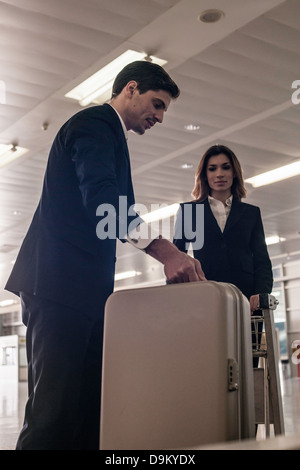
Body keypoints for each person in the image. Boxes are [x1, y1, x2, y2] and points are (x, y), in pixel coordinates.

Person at [5, 61, 205, 450]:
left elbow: (115, 210)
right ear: (130, 88)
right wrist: (166, 252)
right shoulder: (94, 125)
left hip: (83, 294)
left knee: (87, 411)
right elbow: (104, 203)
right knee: (55, 412)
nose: (160, 117)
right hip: (59, 288)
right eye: (157, 104)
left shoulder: (111, 136)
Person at [173, 144, 273, 366]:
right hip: (206, 300)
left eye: (225, 167)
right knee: (209, 366)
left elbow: (262, 260)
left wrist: (261, 293)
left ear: (234, 172)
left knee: (247, 365)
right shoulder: (190, 212)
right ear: (204, 175)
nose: (219, 174)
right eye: (212, 168)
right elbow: (177, 259)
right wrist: (179, 301)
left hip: (248, 303)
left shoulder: (251, 214)